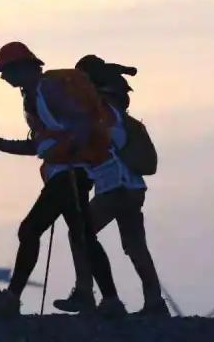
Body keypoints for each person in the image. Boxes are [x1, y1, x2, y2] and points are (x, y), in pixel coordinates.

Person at [0, 42, 126, 317]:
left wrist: (71, 148)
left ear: (23, 68)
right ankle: (111, 301)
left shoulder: (49, 90)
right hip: (70, 172)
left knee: (31, 230)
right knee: (83, 236)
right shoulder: (34, 96)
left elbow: (81, 123)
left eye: (6, 71)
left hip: (70, 173)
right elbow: (41, 145)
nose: (4, 77)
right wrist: (0, 144)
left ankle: (11, 299)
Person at [53, 55, 169, 317]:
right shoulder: (123, 119)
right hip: (133, 188)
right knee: (135, 246)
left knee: (80, 234)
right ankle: (155, 302)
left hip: (114, 188)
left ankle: (86, 293)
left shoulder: (100, 114)